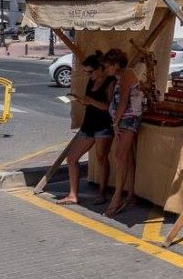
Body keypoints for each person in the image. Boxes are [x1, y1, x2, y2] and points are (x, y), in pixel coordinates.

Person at [56, 51, 114, 206]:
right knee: (72, 158)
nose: (88, 75)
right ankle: (73, 194)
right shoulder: (91, 81)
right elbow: (92, 102)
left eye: (90, 72)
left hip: (103, 126)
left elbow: (108, 106)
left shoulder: (110, 82)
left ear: (100, 69)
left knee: (101, 158)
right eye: (85, 72)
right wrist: (83, 101)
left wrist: (90, 100)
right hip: (89, 125)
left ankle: (102, 192)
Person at [103, 48, 143, 217]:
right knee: (127, 157)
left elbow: (124, 99)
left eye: (108, 67)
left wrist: (115, 122)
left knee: (120, 156)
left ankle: (117, 196)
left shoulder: (127, 74)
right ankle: (130, 193)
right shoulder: (118, 78)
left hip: (128, 119)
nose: (106, 70)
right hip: (124, 119)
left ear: (116, 64)